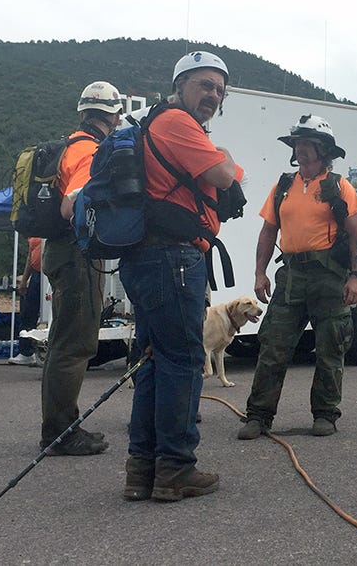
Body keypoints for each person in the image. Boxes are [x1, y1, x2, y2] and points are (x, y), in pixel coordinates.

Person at [120, 51, 238, 502]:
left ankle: (142, 470)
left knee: (152, 360)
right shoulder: (177, 122)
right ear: (181, 84)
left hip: (150, 258)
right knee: (184, 360)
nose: (213, 95)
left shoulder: (157, 123)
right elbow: (222, 175)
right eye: (205, 85)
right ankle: (175, 468)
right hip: (174, 259)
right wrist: (226, 157)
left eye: (219, 90)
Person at [237, 114, 357, 440]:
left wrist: (355, 277)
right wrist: (259, 274)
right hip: (291, 275)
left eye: (308, 143)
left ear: (323, 150)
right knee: (272, 346)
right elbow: (268, 232)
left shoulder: (339, 187)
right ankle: (258, 416)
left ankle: (325, 415)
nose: (301, 149)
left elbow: (356, 235)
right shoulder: (283, 187)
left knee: (330, 347)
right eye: (298, 143)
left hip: (329, 277)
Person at [40, 81, 123, 455]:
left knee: (63, 341)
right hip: (75, 254)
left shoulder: (70, 145)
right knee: (74, 344)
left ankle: (62, 426)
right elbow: (70, 206)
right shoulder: (90, 151)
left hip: (59, 251)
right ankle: (60, 433)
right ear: (112, 115)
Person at [9, 236, 42, 366]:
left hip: (50, 272)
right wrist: (23, 281)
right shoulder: (34, 234)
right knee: (28, 312)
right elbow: (30, 257)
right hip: (37, 274)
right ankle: (26, 352)